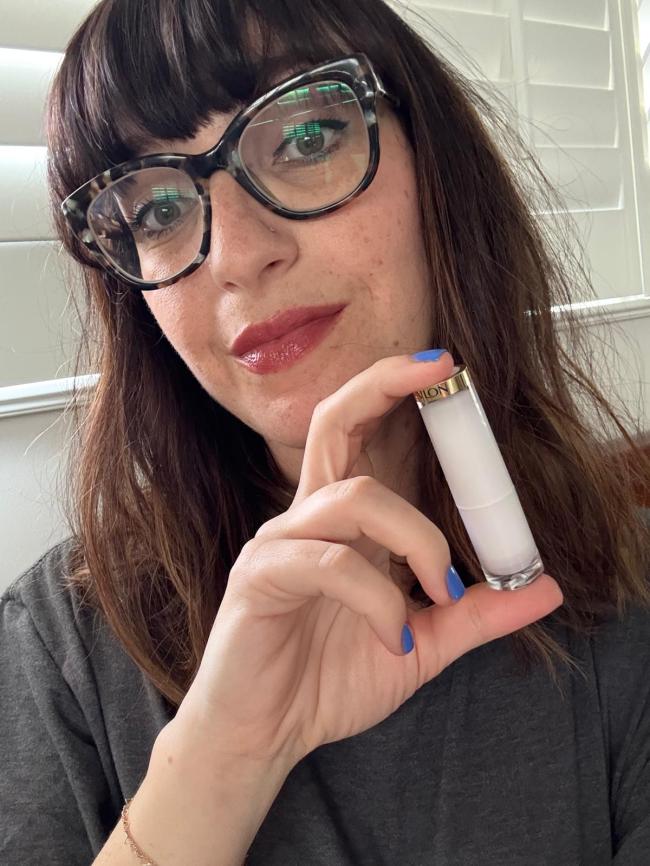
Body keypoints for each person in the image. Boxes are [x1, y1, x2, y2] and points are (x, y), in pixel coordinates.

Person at [1, 0, 649, 863]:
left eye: (306, 138)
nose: (237, 255)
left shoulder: (627, 599)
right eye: (154, 211)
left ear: (435, 165)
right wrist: (225, 758)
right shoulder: (55, 650)